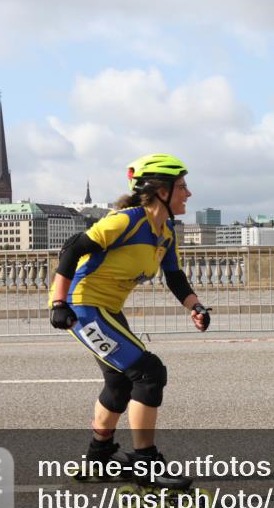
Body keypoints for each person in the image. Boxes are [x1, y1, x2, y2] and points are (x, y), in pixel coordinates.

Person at [48, 153, 210, 490]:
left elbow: (174, 276)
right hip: (84, 308)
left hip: (107, 310)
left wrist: (196, 306)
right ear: (160, 191)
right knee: (149, 373)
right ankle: (146, 464)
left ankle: (99, 457)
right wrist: (58, 302)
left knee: (120, 384)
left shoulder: (164, 232)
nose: (188, 193)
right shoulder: (126, 221)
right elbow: (72, 248)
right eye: (182, 186)